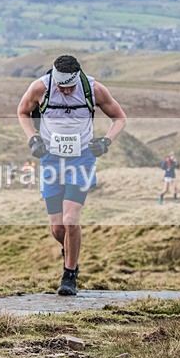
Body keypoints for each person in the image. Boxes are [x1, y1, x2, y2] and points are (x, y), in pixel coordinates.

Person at [17, 54, 126, 296]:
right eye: (61, 87)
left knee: (70, 220)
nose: (66, 91)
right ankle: (71, 254)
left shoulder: (93, 90)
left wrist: (106, 141)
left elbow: (119, 118)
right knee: (58, 229)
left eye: (70, 87)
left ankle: (69, 276)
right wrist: (33, 139)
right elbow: (23, 112)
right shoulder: (40, 88)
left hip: (81, 160)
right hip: (51, 160)